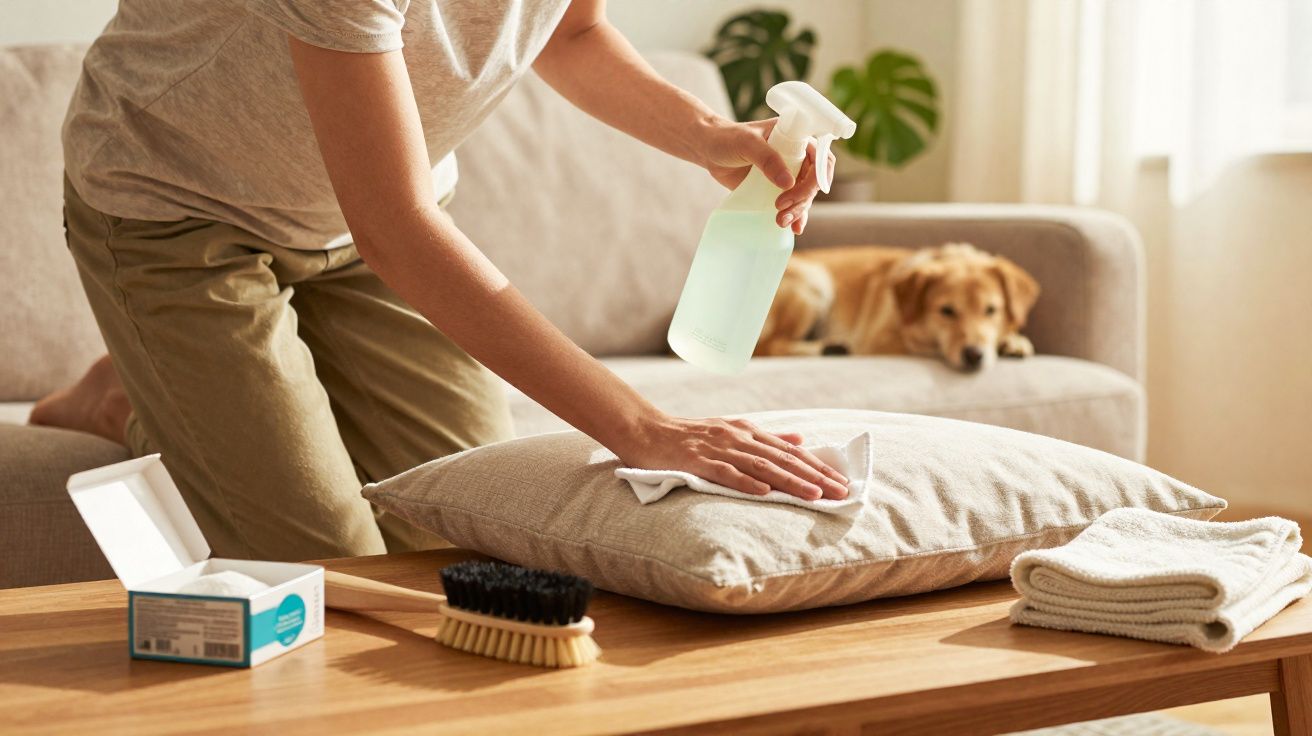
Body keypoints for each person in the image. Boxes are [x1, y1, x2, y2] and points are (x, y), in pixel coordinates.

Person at [33, 0, 849, 561]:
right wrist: (643, 427)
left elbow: (570, 32)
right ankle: (132, 401)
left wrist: (710, 135)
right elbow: (401, 231)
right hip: (178, 207)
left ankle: (188, 388)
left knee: (471, 529)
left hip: (353, 230)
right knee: (334, 569)